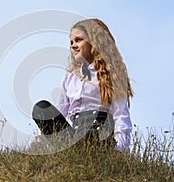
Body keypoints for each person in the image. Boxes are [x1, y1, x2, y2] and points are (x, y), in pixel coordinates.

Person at [32, 18, 133, 152]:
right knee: (41, 108)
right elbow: (61, 111)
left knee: (91, 136)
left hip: (99, 134)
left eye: (79, 40)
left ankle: (87, 150)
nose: (73, 45)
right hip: (75, 134)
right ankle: (72, 149)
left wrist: (121, 148)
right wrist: (38, 141)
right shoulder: (70, 77)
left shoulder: (110, 75)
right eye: (71, 42)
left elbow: (121, 115)